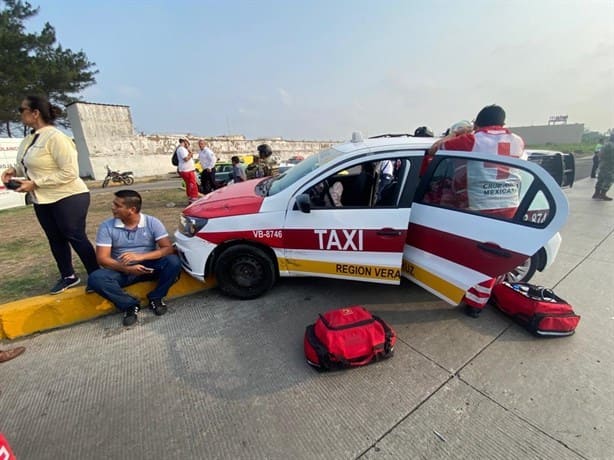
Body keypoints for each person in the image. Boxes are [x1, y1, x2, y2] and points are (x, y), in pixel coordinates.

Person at [429, 105, 526, 318]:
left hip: (480, 208)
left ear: (477, 123)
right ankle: (484, 295)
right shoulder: (518, 141)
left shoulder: (473, 140)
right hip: (510, 206)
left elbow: (435, 150)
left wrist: (455, 134)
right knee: (494, 256)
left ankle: (475, 303)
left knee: (478, 260)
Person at [1, 95, 99, 294]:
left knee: (75, 235)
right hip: (42, 198)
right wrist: (14, 171)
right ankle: (68, 276)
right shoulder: (29, 138)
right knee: (55, 238)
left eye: (22, 110)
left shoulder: (56, 138)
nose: (19, 114)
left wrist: (35, 183)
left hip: (68, 196)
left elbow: (69, 172)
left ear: (35, 113)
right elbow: (29, 164)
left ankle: (97, 276)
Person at [87, 190, 182, 326]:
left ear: (132, 209)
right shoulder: (107, 226)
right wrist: (128, 268)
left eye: (117, 205)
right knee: (96, 278)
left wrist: (141, 256)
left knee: (173, 262)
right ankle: (130, 305)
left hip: (148, 267)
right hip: (123, 271)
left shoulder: (152, 222)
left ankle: (156, 297)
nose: (113, 207)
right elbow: (102, 259)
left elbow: (168, 249)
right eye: (114, 204)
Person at [176, 138, 199, 203]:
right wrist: (191, 153)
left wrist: (189, 151)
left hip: (187, 169)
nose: (188, 145)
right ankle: (193, 199)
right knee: (192, 184)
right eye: (188, 143)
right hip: (187, 170)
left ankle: (191, 198)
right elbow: (186, 159)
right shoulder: (181, 149)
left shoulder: (183, 149)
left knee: (189, 184)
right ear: (185, 142)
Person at [592, 133, 613, 201]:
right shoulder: (612, 146)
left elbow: (600, 154)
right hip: (610, 165)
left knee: (600, 178)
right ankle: (603, 194)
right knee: (609, 179)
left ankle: (596, 193)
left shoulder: (606, 145)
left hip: (603, 163)